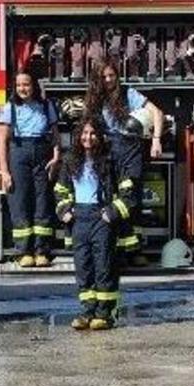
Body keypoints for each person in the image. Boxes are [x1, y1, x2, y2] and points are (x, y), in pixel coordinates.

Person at [54, 117, 136, 331]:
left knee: (104, 266)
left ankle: (104, 314)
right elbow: (60, 191)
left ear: (100, 136)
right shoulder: (70, 159)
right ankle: (87, 312)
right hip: (79, 218)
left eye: (92, 133)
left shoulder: (110, 160)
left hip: (101, 217)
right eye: (84, 133)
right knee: (84, 268)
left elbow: (128, 190)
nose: (87, 137)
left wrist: (112, 212)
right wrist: (64, 210)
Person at [83, 60, 164, 266]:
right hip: (106, 150)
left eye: (112, 75)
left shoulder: (128, 93)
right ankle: (113, 250)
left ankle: (135, 250)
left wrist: (156, 140)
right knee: (109, 198)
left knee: (130, 199)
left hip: (129, 148)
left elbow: (157, 113)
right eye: (104, 76)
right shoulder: (94, 99)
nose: (109, 80)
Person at [0, 70, 60, 267]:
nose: (23, 89)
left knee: (42, 201)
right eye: (19, 85)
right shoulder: (9, 108)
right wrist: (4, 171)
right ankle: (24, 252)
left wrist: (57, 156)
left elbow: (55, 133)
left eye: (27, 84)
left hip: (42, 152)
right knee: (20, 201)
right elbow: (2, 141)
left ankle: (42, 251)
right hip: (18, 152)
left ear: (34, 86)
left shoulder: (46, 105)